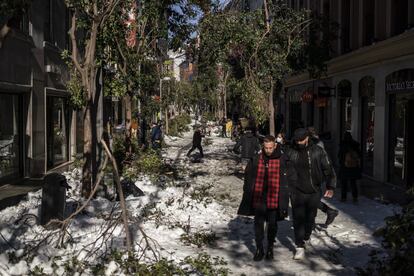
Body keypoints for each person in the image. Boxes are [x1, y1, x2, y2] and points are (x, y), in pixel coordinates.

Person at [237, 135, 290, 262]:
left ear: (275, 145)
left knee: (272, 224)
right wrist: (247, 191)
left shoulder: (282, 159)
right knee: (258, 224)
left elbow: (288, 178)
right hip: (259, 197)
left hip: (274, 196)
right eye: (266, 148)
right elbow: (248, 177)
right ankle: (259, 248)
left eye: (270, 148)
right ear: (263, 146)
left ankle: (270, 247)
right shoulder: (256, 158)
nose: (268, 150)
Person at [288, 128, 336, 260]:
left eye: (301, 140)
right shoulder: (290, 151)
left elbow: (328, 168)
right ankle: (299, 246)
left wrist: (330, 186)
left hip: (313, 191)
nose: (299, 143)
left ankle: (306, 236)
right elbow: (283, 167)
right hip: (296, 191)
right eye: (297, 140)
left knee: (310, 218)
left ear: (307, 138)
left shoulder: (318, 152)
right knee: (298, 219)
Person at [307, 127, 339, 228]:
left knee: (311, 200)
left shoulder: (317, 146)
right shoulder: (317, 143)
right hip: (314, 176)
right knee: (310, 200)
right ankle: (329, 211)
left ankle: (311, 223)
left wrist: (331, 185)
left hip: (316, 177)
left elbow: (326, 164)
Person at [338, 131, 361, 203]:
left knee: (344, 182)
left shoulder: (343, 145)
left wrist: (341, 162)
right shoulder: (355, 145)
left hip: (345, 166)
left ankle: (343, 198)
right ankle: (355, 197)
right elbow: (359, 155)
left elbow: (339, 156)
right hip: (353, 167)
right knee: (353, 182)